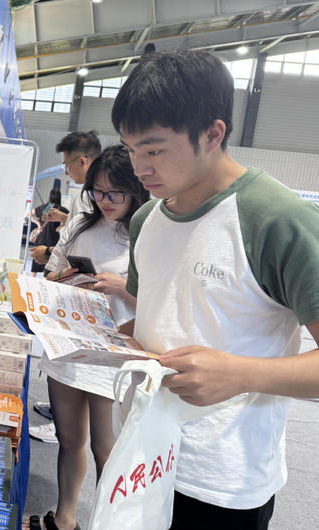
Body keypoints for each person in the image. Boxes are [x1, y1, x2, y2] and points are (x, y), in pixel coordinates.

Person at [112, 49, 319, 529]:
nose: (139, 167)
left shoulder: (277, 221)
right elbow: (163, 317)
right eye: (130, 150)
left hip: (223, 484)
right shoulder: (147, 218)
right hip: (142, 455)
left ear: (212, 133)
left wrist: (240, 373)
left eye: (154, 149)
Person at [24, 146, 149, 530]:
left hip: (116, 353)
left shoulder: (147, 232)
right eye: (97, 191)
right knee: (69, 438)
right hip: (71, 345)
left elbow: (163, 300)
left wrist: (123, 287)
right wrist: (65, 279)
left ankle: (108, 522)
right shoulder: (80, 224)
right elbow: (52, 273)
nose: (105, 201)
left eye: (115, 193)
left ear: (135, 189)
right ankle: (65, 519)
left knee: (107, 448)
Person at [31, 131, 101, 267]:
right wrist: (63, 218)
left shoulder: (87, 195)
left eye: (66, 165)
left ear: (82, 161)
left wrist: (47, 252)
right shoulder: (97, 191)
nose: (66, 172)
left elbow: (84, 244)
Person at [30, 188, 69, 277]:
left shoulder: (44, 207)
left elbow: (29, 214)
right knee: (50, 260)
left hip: (42, 236)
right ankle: (45, 278)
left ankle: (32, 278)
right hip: (53, 238)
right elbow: (71, 219)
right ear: (59, 197)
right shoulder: (61, 209)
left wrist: (38, 224)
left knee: (36, 257)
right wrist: (59, 227)